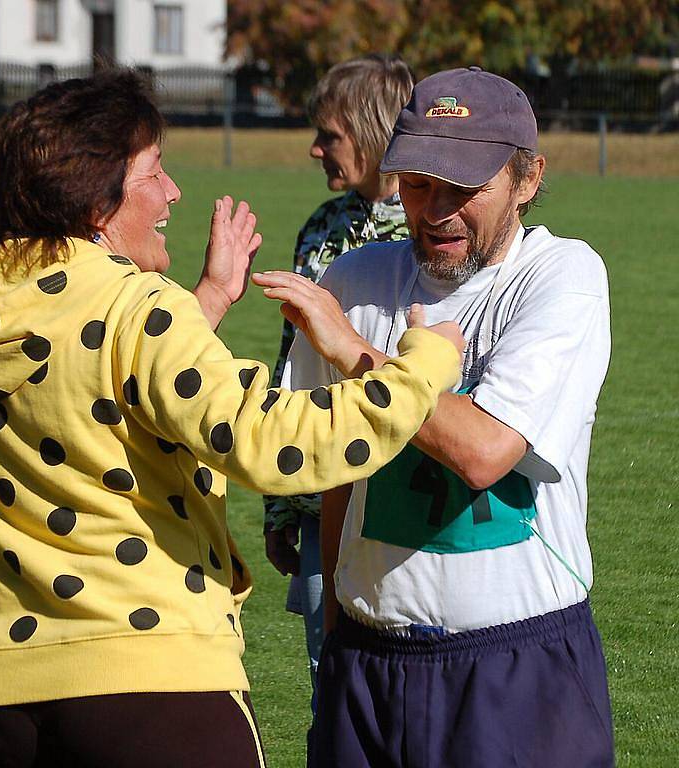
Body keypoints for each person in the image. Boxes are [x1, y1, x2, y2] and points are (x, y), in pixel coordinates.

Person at [0, 69, 464, 768]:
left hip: (3, 686)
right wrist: (422, 367)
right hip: (149, 683)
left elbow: (93, 379)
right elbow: (271, 443)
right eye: (153, 172)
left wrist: (210, 300)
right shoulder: (139, 308)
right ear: (97, 199)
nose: (172, 193)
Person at [256, 66, 614, 767]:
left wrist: (357, 353)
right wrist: (335, 633)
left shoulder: (561, 276)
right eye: (418, 184)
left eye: (465, 189)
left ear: (528, 179)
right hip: (367, 660)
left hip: (515, 662)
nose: (436, 209)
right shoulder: (354, 280)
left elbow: (485, 451)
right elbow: (336, 475)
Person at [262, 54, 415, 730]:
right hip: (321, 492)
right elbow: (288, 367)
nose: (315, 147)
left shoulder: (431, 232)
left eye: (330, 134)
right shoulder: (321, 228)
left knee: (408, 691)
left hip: (405, 499)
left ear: (375, 130)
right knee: (332, 690)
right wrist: (278, 502)